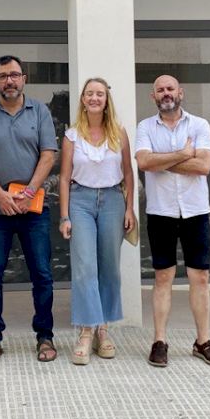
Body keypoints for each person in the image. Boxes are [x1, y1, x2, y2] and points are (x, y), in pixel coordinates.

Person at [0, 55, 59, 364]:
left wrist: (29, 192)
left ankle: (44, 336)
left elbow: (48, 154)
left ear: (24, 79)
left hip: (33, 207)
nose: (10, 80)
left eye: (15, 75)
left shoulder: (40, 111)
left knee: (42, 274)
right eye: (3, 75)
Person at [135, 74, 210, 368]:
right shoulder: (145, 127)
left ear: (180, 93)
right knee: (163, 277)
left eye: (170, 89)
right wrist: (184, 154)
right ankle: (159, 341)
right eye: (160, 90)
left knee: (200, 277)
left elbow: (203, 166)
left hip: (195, 211)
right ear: (153, 96)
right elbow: (144, 162)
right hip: (160, 212)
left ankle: (203, 341)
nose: (166, 93)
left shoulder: (199, 125)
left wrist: (164, 160)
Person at [58, 78, 135, 365]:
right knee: (85, 268)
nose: (94, 98)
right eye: (89, 93)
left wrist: (130, 209)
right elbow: (64, 178)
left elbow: (129, 173)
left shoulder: (119, 132)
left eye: (99, 94)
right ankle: (86, 331)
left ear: (106, 100)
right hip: (80, 201)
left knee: (110, 268)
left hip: (113, 200)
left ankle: (103, 328)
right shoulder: (72, 136)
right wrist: (64, 216)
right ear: (82, 99)